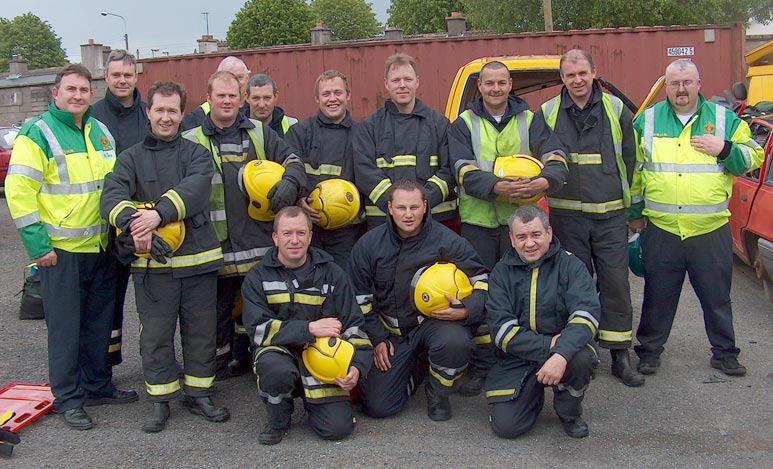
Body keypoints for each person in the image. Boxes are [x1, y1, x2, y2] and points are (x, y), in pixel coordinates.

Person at [5, 64, 137, 430]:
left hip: (99, 247)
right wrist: (38, 246)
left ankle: (97, 385)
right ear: (56, 93)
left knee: (98, 323)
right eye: (71, 90)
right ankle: (68, 398)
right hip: (60, 252)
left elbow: (114, 184)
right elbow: (19, 194)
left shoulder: (100, 131)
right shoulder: (38, 133)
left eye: (83, 90)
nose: (78, 96)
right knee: (66, 329)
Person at [101, 81, 230, 432]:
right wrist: (133, 223)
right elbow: (112, 196)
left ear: (181, 113)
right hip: (151, 267)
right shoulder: (130, 158)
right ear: (149, 112)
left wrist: (157, 214)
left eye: (173, 110)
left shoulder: (196, 154)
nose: (166, 117)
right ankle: (160, 400)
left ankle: (200, 394)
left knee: (200, 332)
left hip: (198, 262)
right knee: (155, 336)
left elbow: (198, 188)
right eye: (159, 110)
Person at [629, 59, 764, 377]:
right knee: (657, 297)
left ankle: (725, 353)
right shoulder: (646, 122)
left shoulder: (723, 119)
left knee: (717, 297)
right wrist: (634, 215)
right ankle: (648, 352)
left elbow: (752, 157)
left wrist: (725, 148)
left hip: (710, 229)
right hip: (662, 229)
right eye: (674, 83)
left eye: (687, 82)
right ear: (666, 87)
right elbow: (633, 172)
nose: (681, 89)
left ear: (698, 84)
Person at [448, 60, 569, 395]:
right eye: (489, 84)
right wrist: (497, 187)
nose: (496, 89)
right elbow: (460, 168)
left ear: (510, 84)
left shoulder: (530, 120)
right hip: (479, 224)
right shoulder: (464, 124)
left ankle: (521, 356)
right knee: (482, 293)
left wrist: (543, 181)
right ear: (480, 87)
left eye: (502, 83)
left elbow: (557, 156)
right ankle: (484, 364)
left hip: (522, 229)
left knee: (524, 293)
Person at [183, 71, 307, 380]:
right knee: (216, 311)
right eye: (220, 95)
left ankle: (252, 359)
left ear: (242, 99)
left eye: (232, 95)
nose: (227, 100)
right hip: (213, 245)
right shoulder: (190, 138)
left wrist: (291, 182)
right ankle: (215, 366)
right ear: (208, 98)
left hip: (256, 243)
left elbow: (293, 159)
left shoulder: (260, 133)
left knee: (254, 307)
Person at [536, 50, 643, 387]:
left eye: (583, 73)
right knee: (573, 287)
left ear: (594, 72)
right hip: (567, 218)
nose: (577, 80)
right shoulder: (548, 113)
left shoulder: (615, 109)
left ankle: (619, 354)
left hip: (610, 215)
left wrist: (635, 212)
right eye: (570, 75)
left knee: (615, 284)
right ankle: (578, 350)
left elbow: (633, 162)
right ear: (562, 79)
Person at [347, 179, 489, 421]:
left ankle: (437, 392)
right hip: (390, 337)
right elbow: (356, 299)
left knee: (454, 341)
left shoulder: (447, 241)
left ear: (425, 206)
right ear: (389, 208)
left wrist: (466, 310)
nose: (408, 214)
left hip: (432, 326)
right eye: (401, 208)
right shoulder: (368, 246)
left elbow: (482, 279)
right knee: (379, 407)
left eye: (414, 207)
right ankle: (417, 368)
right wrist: (377, 338)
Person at [242, 206, 372, 445]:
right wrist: (308, 329)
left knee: (337, 430)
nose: (294, 240)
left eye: (301, 233)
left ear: (310, 236)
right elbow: (258, 330)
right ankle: (279, 420)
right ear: (275, 237)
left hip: (323, 360)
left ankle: (320, 405)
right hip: (280, 353)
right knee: (274, 368)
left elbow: (354, 325)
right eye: (287, 233)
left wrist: (358, 367)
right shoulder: (257, 277)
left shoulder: (333, 273)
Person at [486, 205, 600, 439]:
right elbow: (502, 332)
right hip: (519, 356)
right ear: (511, 239)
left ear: (549, 233)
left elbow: (586, 316)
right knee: (507, 428)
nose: (529, 243)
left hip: (565, 354)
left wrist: (560, 355)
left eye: (536, 235)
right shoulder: (500, 273)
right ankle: (531, 395)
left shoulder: (572, 266)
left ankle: (569, 412)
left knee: (581, 358)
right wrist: (549, 346)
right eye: (522, 237)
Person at [92, 49, 150, 368]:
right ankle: (106, 363)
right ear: (106, 77)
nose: (122, 80)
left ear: (136, 76)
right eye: (116, 75)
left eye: (128, 74)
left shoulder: (148, 114)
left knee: (150, 299)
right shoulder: (93, 117)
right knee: (107, 299)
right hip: (107, 222)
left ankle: (153, 361)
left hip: (144, 221)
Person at [353, 53, 457, 229]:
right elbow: (365, 173)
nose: (402, 85)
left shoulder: (440, 124)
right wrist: (397, 208)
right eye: (396, 80)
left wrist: (421, 206)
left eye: (407, 79)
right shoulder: (369, 128)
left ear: (417, 81)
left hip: (436, 222)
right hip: (383, 225)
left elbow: (448, 171)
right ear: (386, 84)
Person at [285, 70, 363, 267]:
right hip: (307, 231)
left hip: (347, 233)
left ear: (348, 95)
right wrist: (298, 201)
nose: (332, 99)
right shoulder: (299, 133)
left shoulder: (363, 135)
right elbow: (287, 176)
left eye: (338, 93)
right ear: (317, 98)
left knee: (341, 288)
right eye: (326, 94)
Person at [180, 56, 251, 131]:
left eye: (240, 77)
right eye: (227, 78)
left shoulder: (257, 106)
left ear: (248, 78)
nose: (235, 83)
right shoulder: (200, 115)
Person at [246, 73, 298, 137]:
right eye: (256, 98)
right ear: (247, 98)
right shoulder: (236, 126)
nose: (261, 105)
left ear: (275, 96)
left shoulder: (293, 126)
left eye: (267, 98)